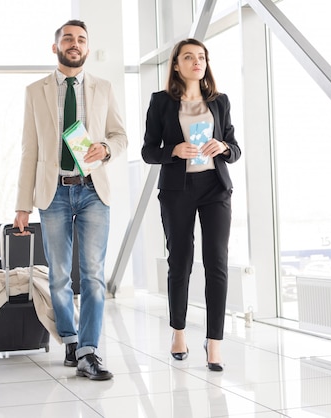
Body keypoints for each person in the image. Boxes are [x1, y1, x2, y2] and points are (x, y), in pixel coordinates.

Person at [13, 19, 127, 381]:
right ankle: (70, 338)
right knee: (60, 277)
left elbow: (120, 136)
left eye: (81, 39)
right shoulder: (36, 91)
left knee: (93, 275)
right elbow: (29, 151)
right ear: (56, 47)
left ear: (88, 49)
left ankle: (89, 351)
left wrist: (106, 148)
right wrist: (22, 205)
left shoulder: (103, 88)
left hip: (93, 190)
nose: (74, 44)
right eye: (68, 39)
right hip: (54, 193)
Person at [141, 38, 241, 372]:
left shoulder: (220, 102)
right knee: (180, 262)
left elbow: (235, 149)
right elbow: (148, 151)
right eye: (188, 57)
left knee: (217, 263)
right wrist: (174, 150)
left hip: (215, 187)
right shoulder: (161, 103)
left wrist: (222, 146)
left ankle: (214, 342)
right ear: (176, 65)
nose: (196, 62)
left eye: (201, 57)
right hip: (177, 189)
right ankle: (178, 333)